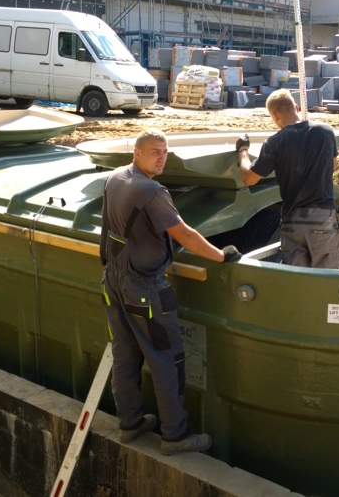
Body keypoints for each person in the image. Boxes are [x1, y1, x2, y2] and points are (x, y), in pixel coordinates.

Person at [100, 129, 240, 455]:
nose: (162, 158)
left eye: (165, 151)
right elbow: (185, 235)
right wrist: (221, 255)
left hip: (113, 282)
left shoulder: (116, 178)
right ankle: (175, 436)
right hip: (145, 289)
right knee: (167, 360)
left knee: (125, 355)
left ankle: (130, 423)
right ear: (137, 152)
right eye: (154, 152)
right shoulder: (152, 191)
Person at [236, 89, 339, 269]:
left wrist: (243, 150)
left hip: (292, 222)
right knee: (330, 283)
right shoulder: (325, 131)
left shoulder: (274, 142)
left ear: (275, 116)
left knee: (296, 283)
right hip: (322, 219)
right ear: (296, 107)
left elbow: (249, 179)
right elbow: (333, 165)